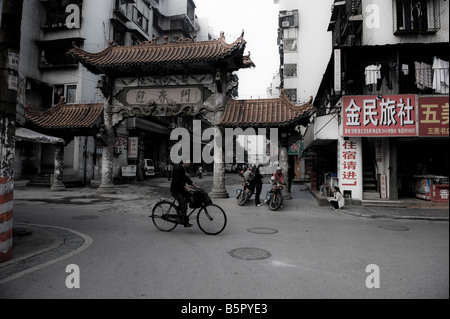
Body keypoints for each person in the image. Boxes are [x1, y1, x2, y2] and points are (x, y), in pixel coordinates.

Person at [170, 161, 199, 227]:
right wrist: (186, 187)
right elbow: (177, 181)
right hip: (175, 190)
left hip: (180, 189)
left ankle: (179, 209)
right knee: (184, 204)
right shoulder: (178, 168)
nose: (189, 163)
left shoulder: (182, 168)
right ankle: (183, 220)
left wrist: (193, 184)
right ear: (184, 162)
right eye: (188, 162)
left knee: (190, 196)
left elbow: (185, 178)